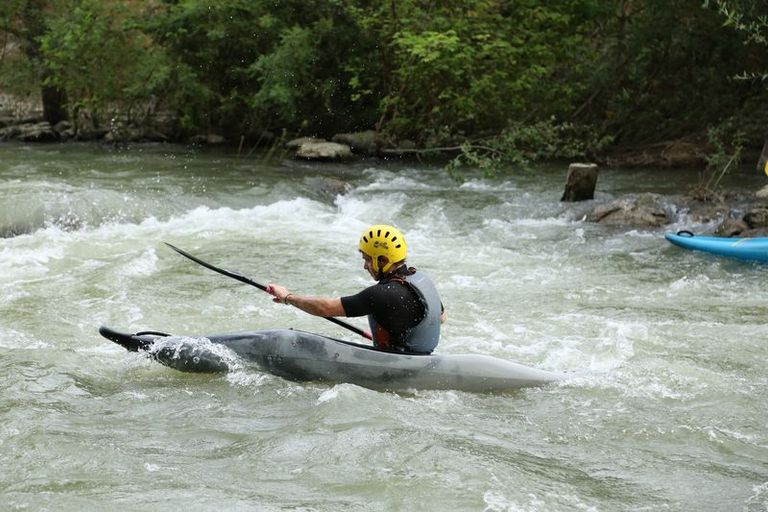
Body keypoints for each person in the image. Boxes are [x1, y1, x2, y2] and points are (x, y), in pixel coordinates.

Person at [266, 224, 445, 354]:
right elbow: (440, 317)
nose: (365, 266)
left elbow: (326, 308)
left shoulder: (382, 294)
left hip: (397, 366)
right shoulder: (420, 279)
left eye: (367, 259)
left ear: (382, 260)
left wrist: (287, 297)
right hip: (421, 357)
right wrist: (398, 330)